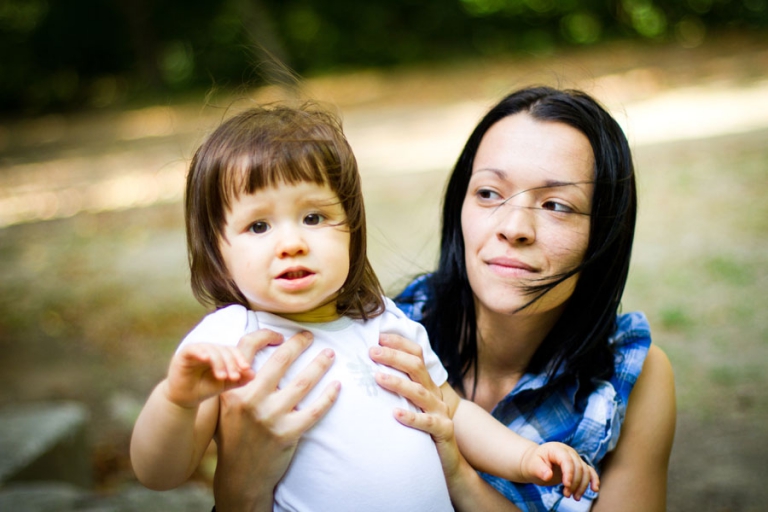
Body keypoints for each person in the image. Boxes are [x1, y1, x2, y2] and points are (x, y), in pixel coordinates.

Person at [209, 86, 677, 512]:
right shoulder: (386, 337)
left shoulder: (628, 375)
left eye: (556, 205)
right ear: (460, 206)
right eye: (489, 193)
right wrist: (238, 489)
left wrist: (457, 471)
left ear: (605, 233)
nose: (513, 227)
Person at [129, 103, 599, 512]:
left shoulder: (385, 322)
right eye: (258, 226)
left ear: (351, 227)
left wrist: (524, 457)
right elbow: (159, 473)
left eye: (314, 217)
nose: (291, 242)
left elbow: (452, 411)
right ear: (218, 249)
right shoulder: (233, 336)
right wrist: (177, 399)